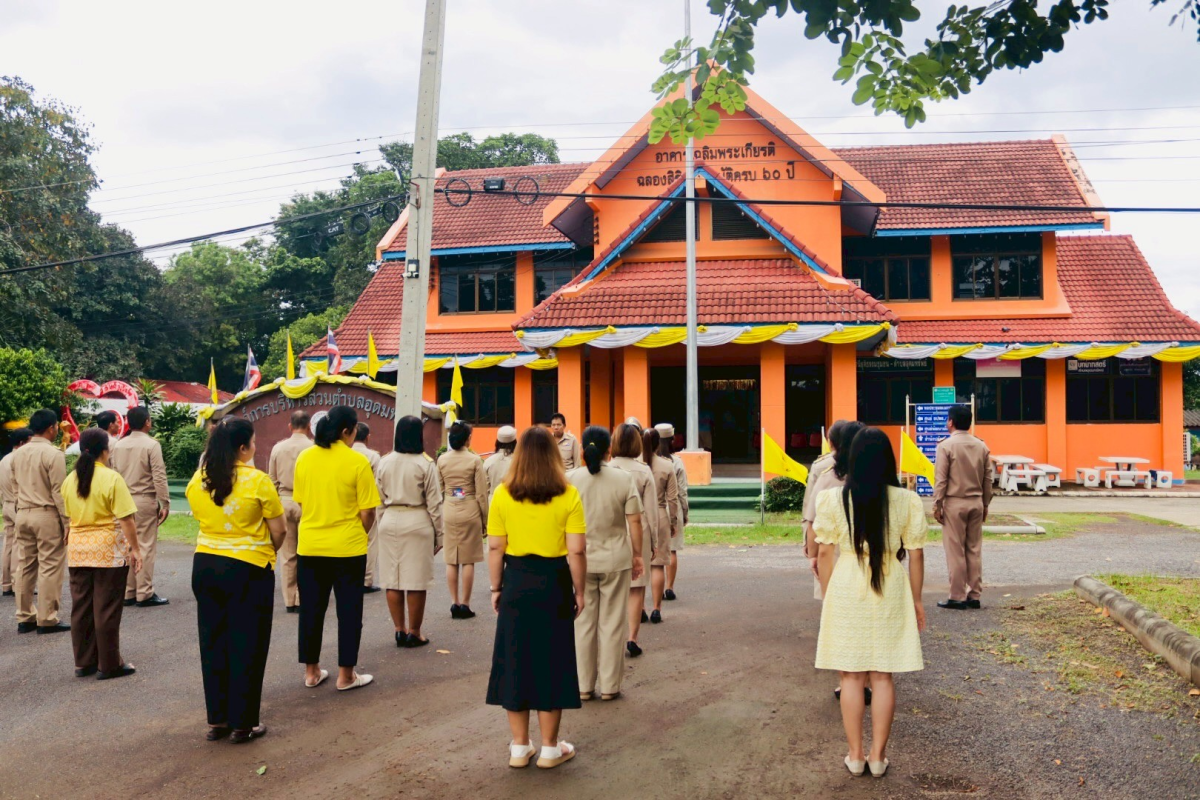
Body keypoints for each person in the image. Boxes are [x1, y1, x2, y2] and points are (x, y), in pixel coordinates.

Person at [814, 427, 926, 779]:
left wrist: (831, 595)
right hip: (890, 585)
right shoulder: (907, 499)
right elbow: (917, 555)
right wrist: (918, 600)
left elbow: (825, 553)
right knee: (882, 675)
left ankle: (855, 754)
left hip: (847, 584)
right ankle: (878, 757)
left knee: (850, 675)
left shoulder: (832, 499)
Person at [486, 426, 587, 770]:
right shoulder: (568, 494)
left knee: (515, 660)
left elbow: (496, 546)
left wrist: (496, 587)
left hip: (516, 580)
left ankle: (518, 747)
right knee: (552, 661)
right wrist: (580, 590)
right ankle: (549, 748)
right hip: (554, 582)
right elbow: (577, 550)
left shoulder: (502, 493)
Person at [187, 418, 286, 743]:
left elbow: (202, 517)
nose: (255, 448)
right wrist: (261, 552)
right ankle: (243, 724)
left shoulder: (199, 480)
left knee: (213, 643)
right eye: (253, 443)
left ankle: (217, 720)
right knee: (248, 645)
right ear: (243, 448)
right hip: (247, 571)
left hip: (205, 567)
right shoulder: (258, 481)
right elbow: (279, 530)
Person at [294, 405, 381, 692]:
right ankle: (346, 675)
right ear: (348, 431)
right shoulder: (357, 462)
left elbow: (302, 503)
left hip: (310, 546)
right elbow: (368, 511)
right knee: (349, 612)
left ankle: (311, 672)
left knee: (311, 610)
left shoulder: (305, 458)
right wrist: (357, 532)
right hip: (348, 548)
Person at [568, 426, 643, 701]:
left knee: (582, 623)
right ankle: (610, 686)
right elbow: (635, 521)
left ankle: (583, 686)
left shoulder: (569, 480)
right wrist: (637, 556)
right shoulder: (623, 479)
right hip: (615, 559)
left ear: (582, 450)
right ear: (608, 450)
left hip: (578, 561)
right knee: (612, 623)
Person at [61, 429, 142, 680]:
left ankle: (84, 662)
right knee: (106, 607)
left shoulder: (70, 479)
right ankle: (109, 665)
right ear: (104, 450)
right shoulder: (112, 478)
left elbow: (70, 516)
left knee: (81, 607)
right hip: (108, 549)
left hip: (78, 549)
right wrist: (136, 549)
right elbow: (126, 519)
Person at [803, 421, 868, 704]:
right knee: (867, 618)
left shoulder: (825, 474)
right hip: (868, 558)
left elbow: (812, 520)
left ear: (833, 444)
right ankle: (864, 679)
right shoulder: (873, 472)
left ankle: (847, 681)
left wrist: (812, 554)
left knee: (839, 619)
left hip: (837, 557)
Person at [376, 415, 443, 648]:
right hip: (417, 519)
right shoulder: (425, 463)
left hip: (390, 518)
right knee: (416, 580)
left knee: (392, 579)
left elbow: (379, 499)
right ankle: (414, 632)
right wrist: (440, 534)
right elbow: (435, 503)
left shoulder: (384, 462)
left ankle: (398, 629)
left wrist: (383, 521)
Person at [11, 409, 70, 634]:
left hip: (23, 512)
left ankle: (25, 616)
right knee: (50, 566)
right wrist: (67, 521)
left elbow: (15, 486)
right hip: (45, 513)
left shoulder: (17, 453)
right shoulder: (53, 454)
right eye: (56, 427)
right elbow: (58, 491)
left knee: (25, 565)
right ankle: (47, 618)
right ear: (51, 428)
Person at [932, 405, 993, 611]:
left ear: (951, 422)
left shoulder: (945, 446)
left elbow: (941, 480)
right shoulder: (981, 446)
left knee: (955, 550)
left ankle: (957, 596)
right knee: (974, 549)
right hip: (976, 501)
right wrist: (985, 504)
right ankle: (974, 595)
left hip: (954, 502)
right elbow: (988, 479)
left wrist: (937, 504)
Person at [110, 406, 171, 608]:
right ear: (147, 422)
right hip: (144, 499)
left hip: (122, 499)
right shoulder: (151, 445)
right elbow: (159, 475)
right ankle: (144, 592)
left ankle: (129, 591)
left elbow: (114, 474)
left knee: (128, 544)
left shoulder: (118, 445)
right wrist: (165, 501)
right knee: (144, 545)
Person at [608, 423, 659, 657]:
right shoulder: (644, 470)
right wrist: (654, 542)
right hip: (639, 533)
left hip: (612, 533)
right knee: (636, 588)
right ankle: (632, 638)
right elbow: (651, 511)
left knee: (613, 589)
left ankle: (613, 638)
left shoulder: (607, 468)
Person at [437, 421, 488, 620]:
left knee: (452, 559)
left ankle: (454, 601)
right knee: (468, 560)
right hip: (469, 508)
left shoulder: (442, 460)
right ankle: (465, 604)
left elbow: (439, 487)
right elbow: (482, 494)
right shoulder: (475, 461)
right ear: (467, 438)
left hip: (449, 508)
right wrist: (485, 519)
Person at [268, 410, 313, 613]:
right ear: (309, 426)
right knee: (307, 553)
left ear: (290, 426)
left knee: (287, 555)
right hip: (308, 502)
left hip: (284, 500)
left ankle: (290, 600)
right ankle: (305, 596)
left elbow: (272, 480)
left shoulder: (278, 448)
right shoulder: (314, 448)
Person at [641, 427, 678, 625]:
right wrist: (674, 522)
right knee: (657, 565)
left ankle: (639, 608)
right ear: (658, 444)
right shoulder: (666, 466)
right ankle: (656, 608)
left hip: (638, 517)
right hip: (660, 515)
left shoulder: (636, 466)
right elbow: (673, 499)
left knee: (639, 565)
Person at [654, 423, 688, 602]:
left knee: (656, 552)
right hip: (671, 508)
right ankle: (669, 587)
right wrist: (685, 511)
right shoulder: (677, 462)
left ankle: (655, 589)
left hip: (654, 509)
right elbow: (681, 491)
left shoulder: (647, 461)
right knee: (672, 550)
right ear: (673, 440)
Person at [1, 427, 33, 597]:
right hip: (17, 503)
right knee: (19, 544)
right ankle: (15, 582)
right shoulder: (20, 459)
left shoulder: (4, 459)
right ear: (22, 442)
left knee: (8, 542)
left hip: (6, 503)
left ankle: (6, 583)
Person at [352, 423, 383, 594]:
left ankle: (349, 576)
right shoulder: (373, 456)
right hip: (368, 504)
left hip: (349, 503)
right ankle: (366, 580)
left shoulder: (346, 455)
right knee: (370, 541)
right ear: (367, 437)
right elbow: (378, 484)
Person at [483, 426, 517, 501]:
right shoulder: (519, 461)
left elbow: (485, 488)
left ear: (497, 442)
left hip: (493, 501)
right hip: (514, 501)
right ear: (515, 442)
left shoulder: (489, 461)